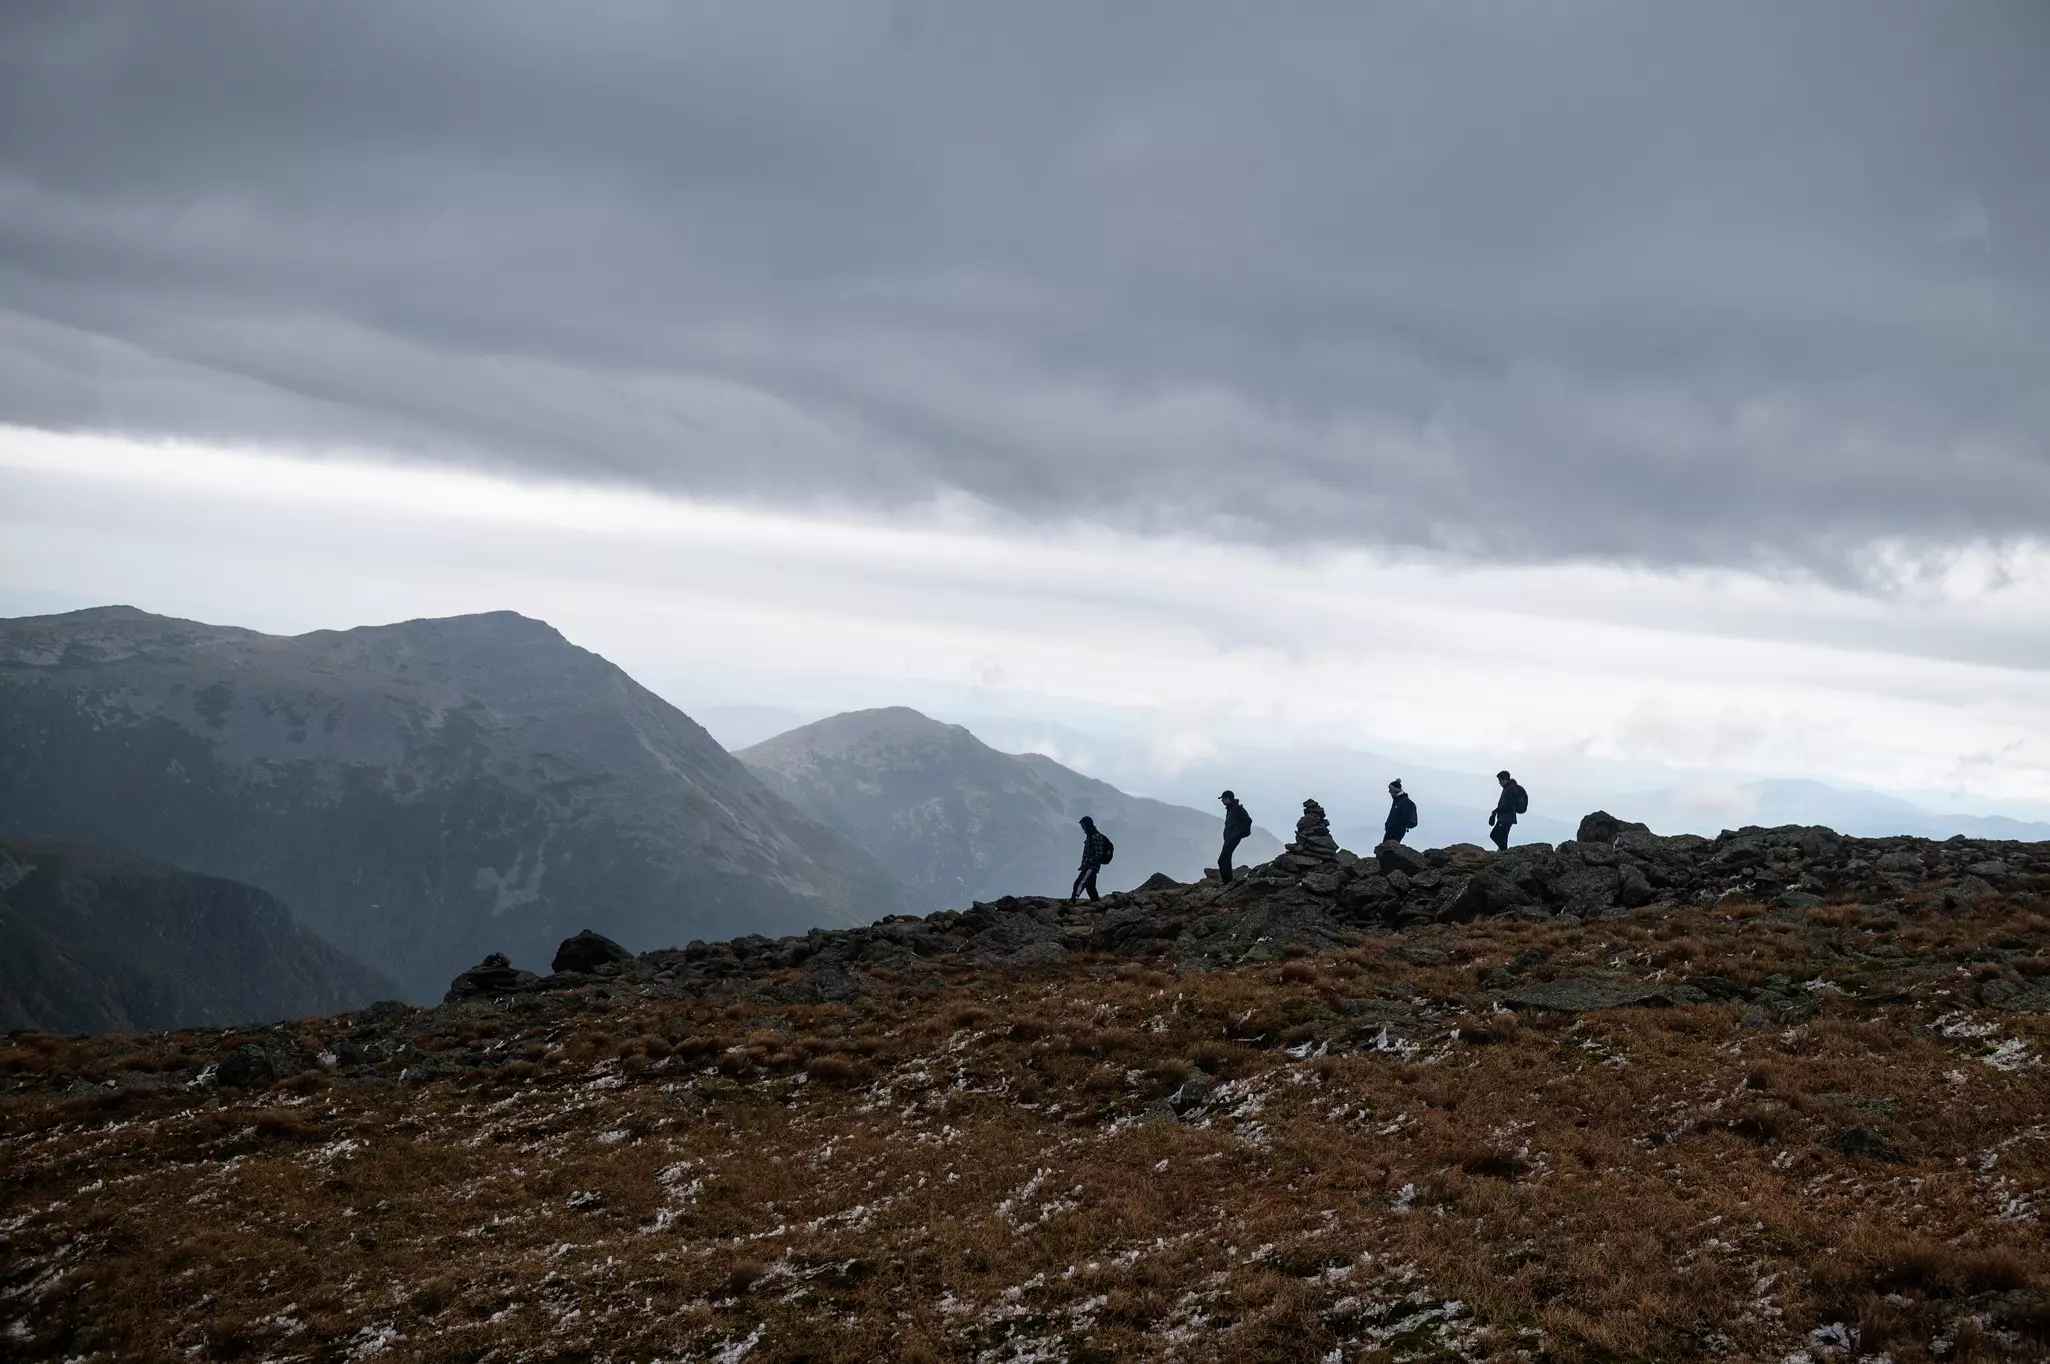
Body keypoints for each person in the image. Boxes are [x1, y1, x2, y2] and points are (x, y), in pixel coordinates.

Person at [1071, 815, 1111, 902]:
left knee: (1079, 883)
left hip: (1091, 866)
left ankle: (1073, 900)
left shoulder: (1095, 837)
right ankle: (1097, 903)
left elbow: (1099, 853)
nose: (1082, 828)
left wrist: (1089, 861)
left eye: (1083, 826)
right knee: (1090, 887)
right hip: (1091, 866)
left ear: (1087, 825)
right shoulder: (1091, 836)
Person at [1217, 790, 1253, 883]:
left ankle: (1227, 882)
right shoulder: (1231, 808)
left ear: (1228, 799)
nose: (1222, 801)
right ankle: (1228, 882)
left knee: (1222, 860)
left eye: (1223, 799)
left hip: (1232, 838)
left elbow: (1248, 820)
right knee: (1226, 859)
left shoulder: (1237, 808)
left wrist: (1237, 834)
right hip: (1229, 838)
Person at [1489, 770, 1528, 851]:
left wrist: (1496, 811)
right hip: (1508, 818)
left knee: (1494, 835)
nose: (1499, 783)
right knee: (1502, 837)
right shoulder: (1509, 788)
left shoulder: (1510, 789)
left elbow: (1508, 805)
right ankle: (1504, 853)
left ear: (1505, 779)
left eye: (1500, 780)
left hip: (1506, 818)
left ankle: (1504, 852)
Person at [1383, 780, 1418, 844]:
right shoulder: (1397, 801)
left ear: (1395, 790)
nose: (1389, 791)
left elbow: (1405, 817)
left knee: (1388, 849)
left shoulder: (1404, 801)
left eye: (1390, 790)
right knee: (1385, 849)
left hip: (1396, 831)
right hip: (1391, 830)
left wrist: (1394, 825)